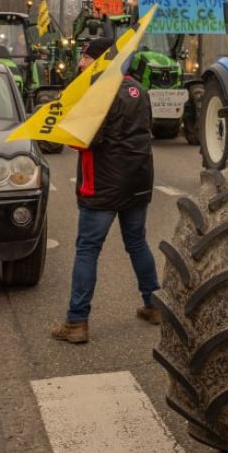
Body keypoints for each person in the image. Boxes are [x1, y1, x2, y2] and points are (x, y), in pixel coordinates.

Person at [51, 35, 160, 344]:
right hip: (137, 181)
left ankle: (76, 322)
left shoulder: (98, 92)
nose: (81, 62)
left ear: (101, 60)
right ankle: (153, 305)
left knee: (87, 250)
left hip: (102, 184)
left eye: (86, 57)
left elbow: (80, 139)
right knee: (137, 243)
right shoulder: (139, 89)